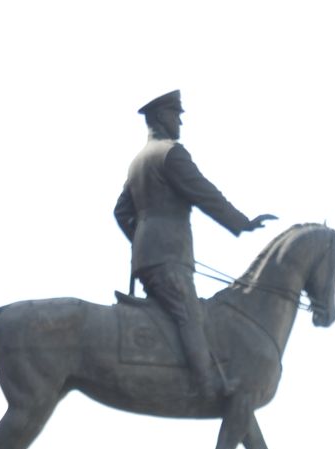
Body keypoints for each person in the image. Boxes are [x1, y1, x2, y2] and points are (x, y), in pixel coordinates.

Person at [114, 90, 275, 405]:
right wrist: (242, 222)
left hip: (148, 257)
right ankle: (208, 384)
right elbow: (204, 193)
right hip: (169, 257)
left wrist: (141, 242)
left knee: (170, 315)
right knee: (190, 315)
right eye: (177, 115)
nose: (180, 122)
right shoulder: (171, 154)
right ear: (161, 116)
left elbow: (121, 212)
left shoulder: (138, 162)